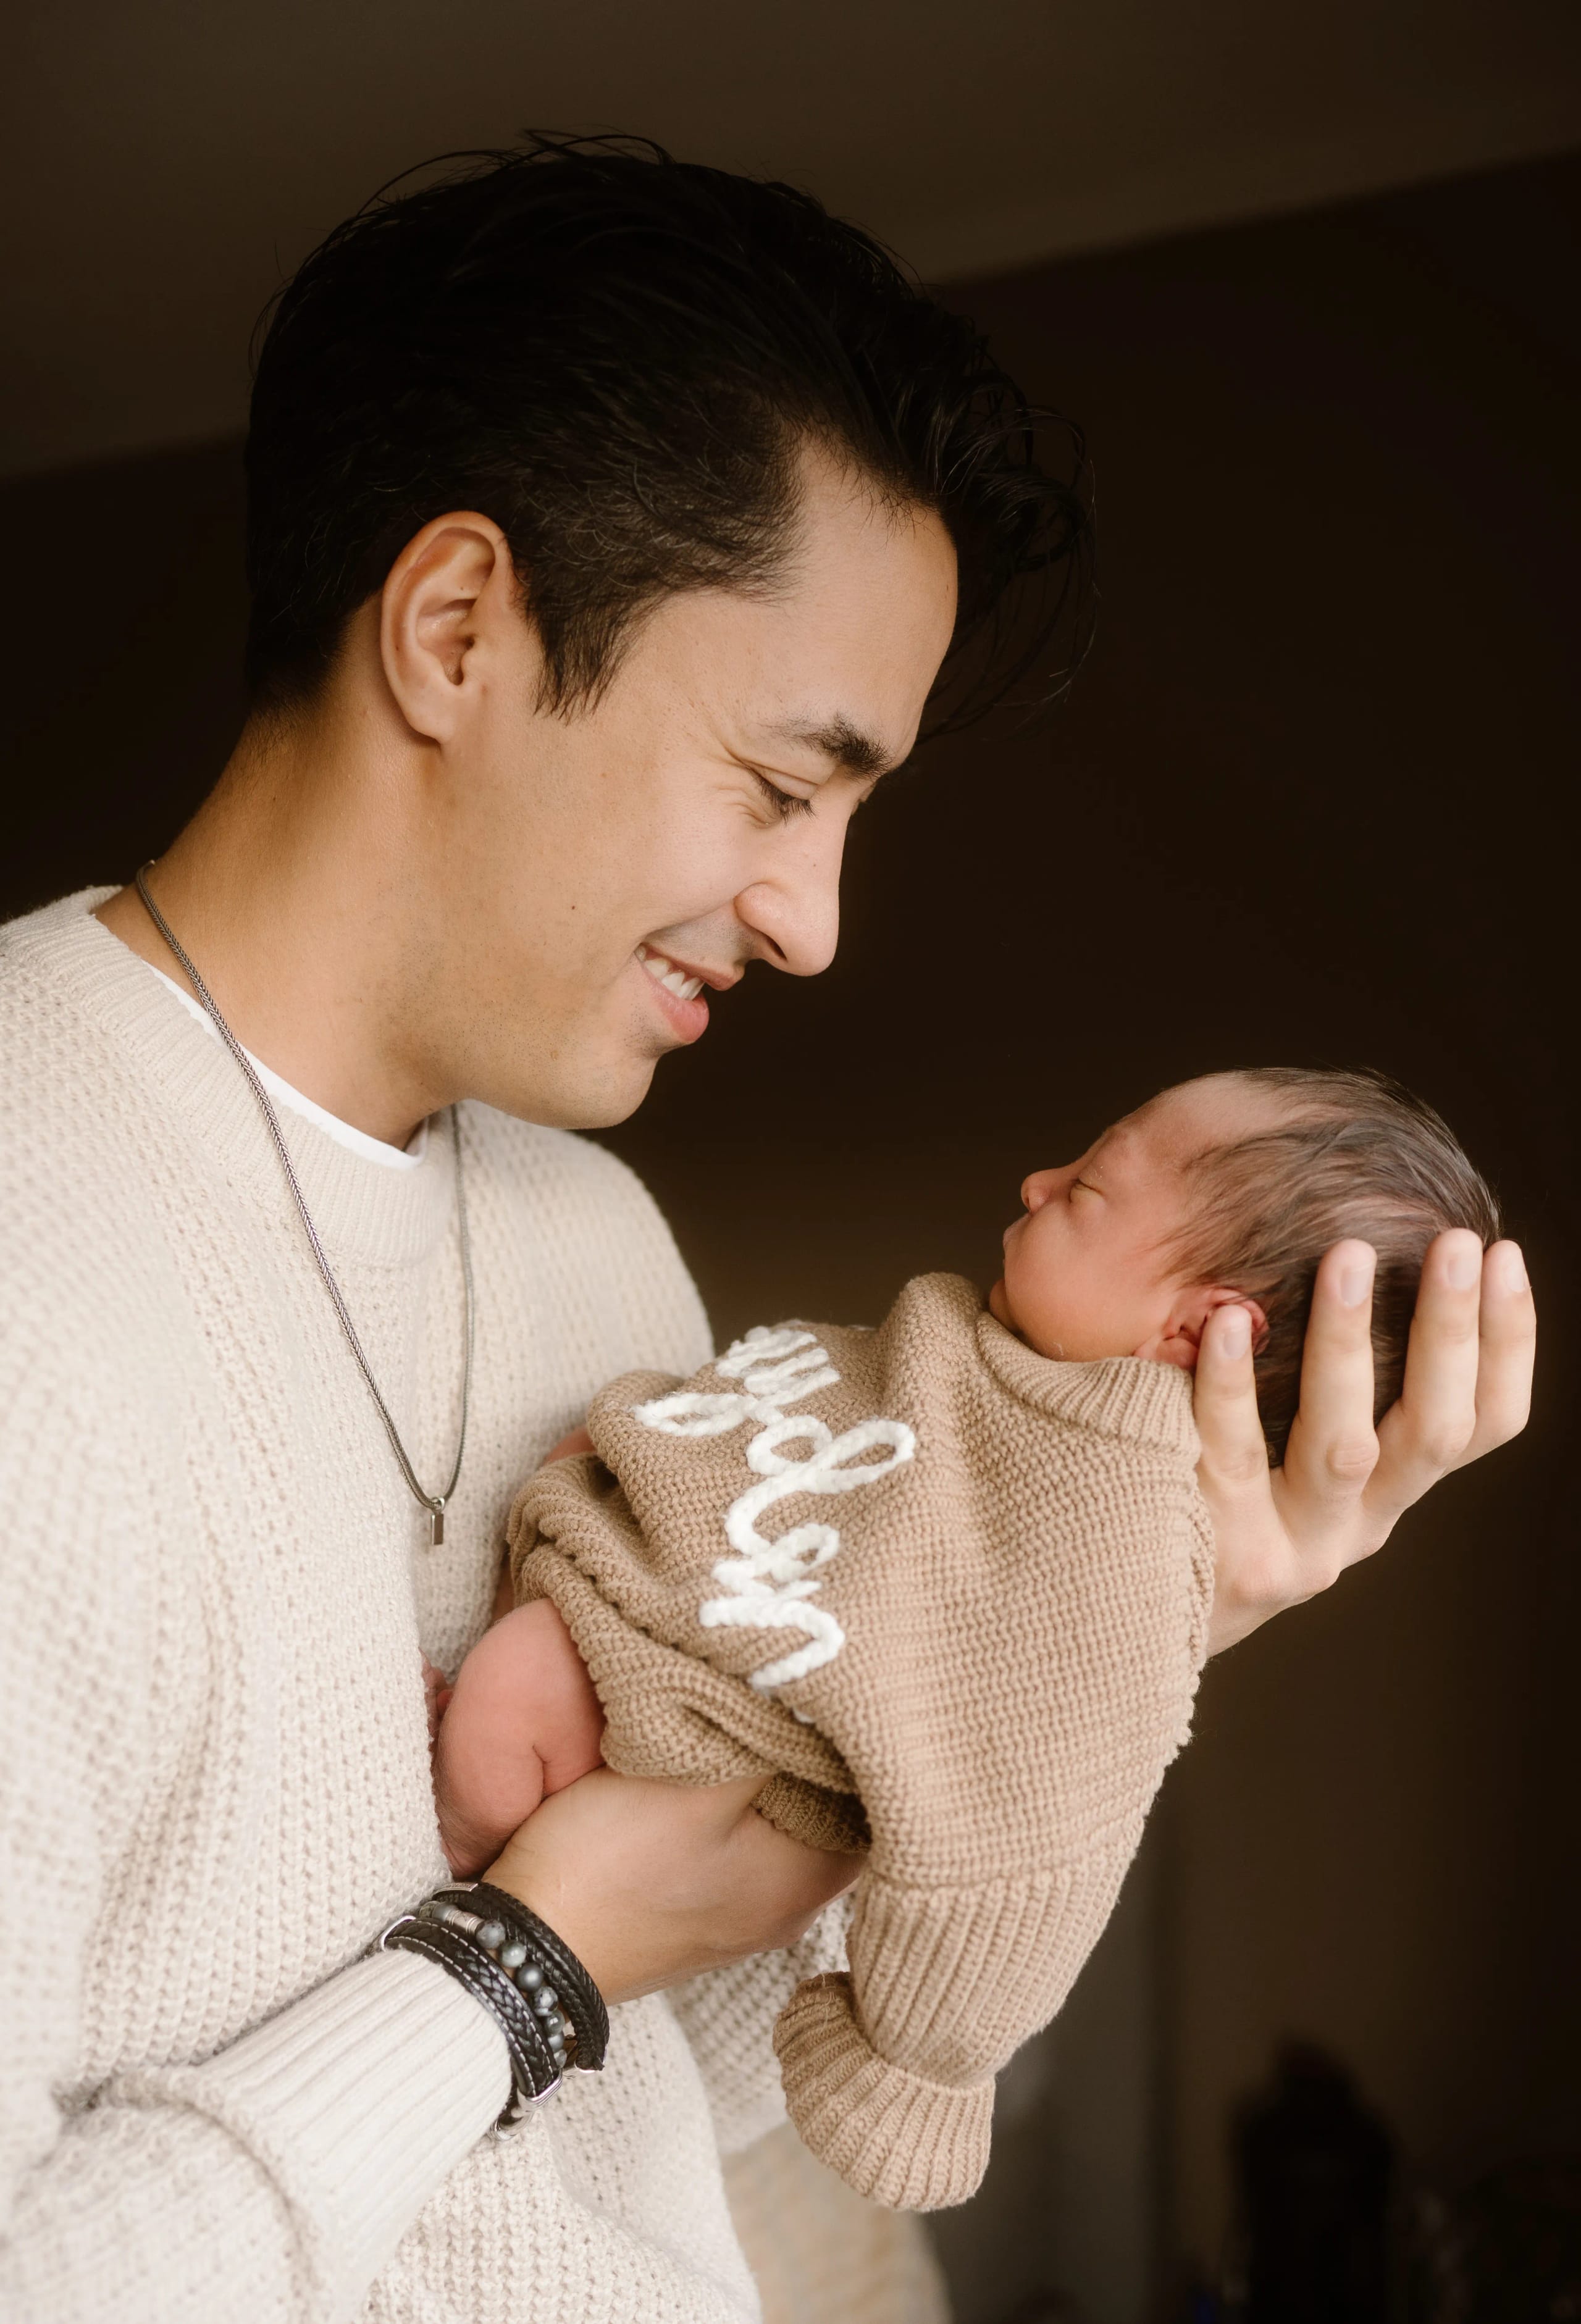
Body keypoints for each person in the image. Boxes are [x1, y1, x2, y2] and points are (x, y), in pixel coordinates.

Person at [0, 140, 1533, 2324]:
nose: (814, 922)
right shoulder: (25, 1232)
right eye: (780, 784)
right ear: (457, 630)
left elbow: (685, 2095)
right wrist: (518, 1957)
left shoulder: (596, 1238)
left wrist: (1121, 1617)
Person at [429, 1066, 1503, 2211]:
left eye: (1088, 1189)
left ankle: (447, 1835)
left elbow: (1036, 1833)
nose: (1038, 1182)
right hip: (641, 1562)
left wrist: (921, 2066)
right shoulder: (979, 1349)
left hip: (675, 1707)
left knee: (510, 1712)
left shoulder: (1108, 1541)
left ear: (1197, 1330)